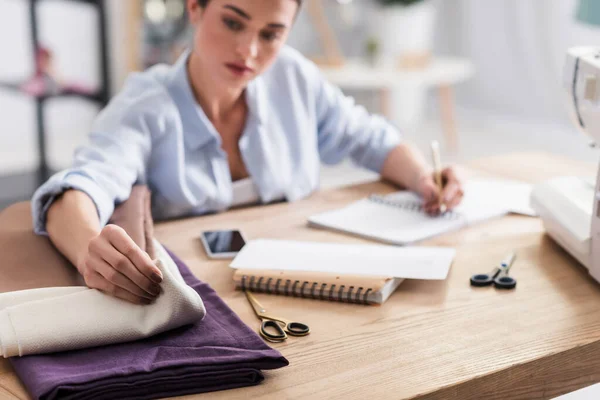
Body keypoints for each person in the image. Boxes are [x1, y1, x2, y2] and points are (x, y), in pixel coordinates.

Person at [32, 0, 464, 305]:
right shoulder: (145, 104)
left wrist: (423, 176)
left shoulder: (295, 77)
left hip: (305, 286)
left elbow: (370, 138)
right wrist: (90, 247)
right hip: (201, 300)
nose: (250, 51)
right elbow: (80, 188)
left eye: (271, 34)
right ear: (195, 8)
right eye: (233, 23)